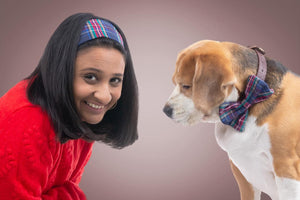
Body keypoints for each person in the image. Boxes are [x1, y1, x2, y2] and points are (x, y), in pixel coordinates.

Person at [0, 13, 138, 199]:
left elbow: (70, 188)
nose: (104, 96)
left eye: (115, 80)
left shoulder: (79, 111)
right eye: (90, 77)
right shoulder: (26, 120)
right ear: (61, 71)